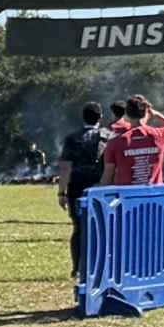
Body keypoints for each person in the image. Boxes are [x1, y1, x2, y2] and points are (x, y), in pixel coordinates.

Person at [54, 103, 112, 281]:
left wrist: (61, 192)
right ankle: (100, 266)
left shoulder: (72, 138)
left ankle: (77, 268)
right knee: (102, 228)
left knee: (78, 229)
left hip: (76, 187)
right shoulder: (108, 137)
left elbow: (65, 168)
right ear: (100, 117)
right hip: (100, 187)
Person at [103, 94, 164, 186]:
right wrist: (157, 115)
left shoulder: (115, 142)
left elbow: (107, 178)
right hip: (154, 196)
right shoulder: (160, 135)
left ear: (127, 114)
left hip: (126, 197)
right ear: (146, 112)